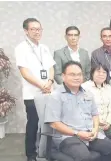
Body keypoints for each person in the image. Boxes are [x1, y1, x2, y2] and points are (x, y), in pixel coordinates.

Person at [45, 61, 111, 161]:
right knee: (84, 157)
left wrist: (95, 129)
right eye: (72, 74)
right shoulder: (56, 96)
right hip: (68, 136)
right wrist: (77, 133)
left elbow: (95, 115)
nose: (77, 77)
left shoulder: (88, 93)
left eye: (79, 74)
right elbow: (54, 124)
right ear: (63, 76)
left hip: (89, 134)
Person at [15, 18, 56, 161]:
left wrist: (50, 81)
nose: (37, 32)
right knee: (33, 123)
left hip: (48, 91)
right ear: (26, 31)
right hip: (32, 94)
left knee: (49, 122)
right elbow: (24, 72)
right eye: (33, 29)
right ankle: (31, 154)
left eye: (39, 29)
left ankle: (46, 150)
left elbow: (51, 67)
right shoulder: (21, 48)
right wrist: (41, 85)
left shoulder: (44, 47)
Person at [81, 64, 111, 142]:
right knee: (102, 138)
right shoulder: (84, 87)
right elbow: (83, 109)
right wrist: (97, 122)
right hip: (92, 123)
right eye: (98, 71)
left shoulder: (108, 87)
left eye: (104, 72)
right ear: (92, 73)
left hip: (107, 122)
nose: (101, 74)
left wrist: (109, 122)